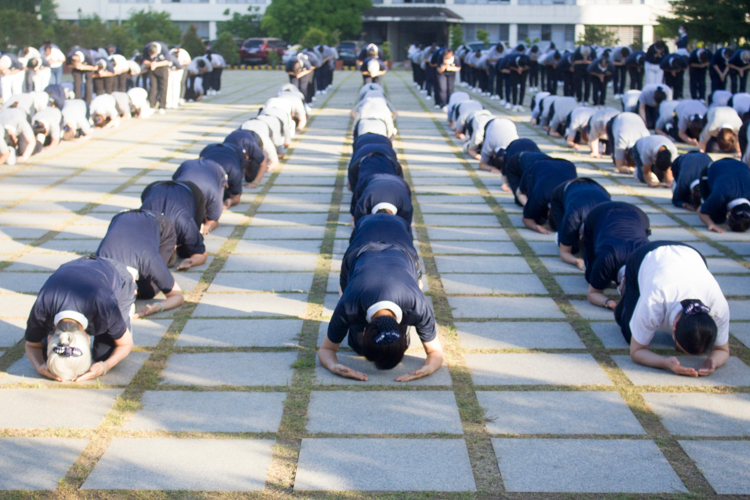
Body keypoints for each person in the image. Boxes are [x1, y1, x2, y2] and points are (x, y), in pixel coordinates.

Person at [320, 240, 442, 382]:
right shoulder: (349, 305)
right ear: (365, 330)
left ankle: (416, 282)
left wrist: (429, 368)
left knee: (383, 347)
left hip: (402, 257)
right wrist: (334, 366)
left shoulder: (418, 307)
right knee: (358, 345)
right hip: (359, 253)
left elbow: (436, 352)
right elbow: (325, 350)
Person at [615, 241, 730, 377]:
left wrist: (713, 361)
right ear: (673, 326)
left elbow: (723, 350)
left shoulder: (719, 306)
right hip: (646, 255)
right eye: (680, 349)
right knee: (629, 332)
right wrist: (665, 363)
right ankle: (625, 285)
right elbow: (636, 351)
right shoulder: (654, 300)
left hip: (692, 254)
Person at [24, 256, 136, 382]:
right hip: (75, 266)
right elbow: (32, 345)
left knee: (105, 354)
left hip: (115, 272)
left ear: (88, 339)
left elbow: (126, 344)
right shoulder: (42, 307)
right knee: (43, 351)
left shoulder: (103, 305)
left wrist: (104, 366)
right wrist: (40, 366)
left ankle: (127, 307)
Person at [96, 210, 184, 316]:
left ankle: (172, 250)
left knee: (149, 291)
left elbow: (177, 296)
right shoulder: (99, 264)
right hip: (120, 218)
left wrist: (158, 307)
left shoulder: (148, 259)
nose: (136, 293)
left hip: (159, 222)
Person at [582, 201, 650, 309]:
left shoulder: (649, 259)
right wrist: (610, 303)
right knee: (590, 276)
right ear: (621, 284)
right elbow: (592, 294)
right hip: (599, 212)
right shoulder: (607, 258)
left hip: (638, 214)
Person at [140, 181, 208, 270]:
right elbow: (201, 254)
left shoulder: (185, 224)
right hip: (153, 188)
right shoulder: (143, 227)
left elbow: (201, 255)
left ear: (175, 247)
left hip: (188, 188)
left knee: (187, 250)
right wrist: (190, 261)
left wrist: (192, 260)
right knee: (188, 248)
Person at [550, 178, 611, 269]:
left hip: (599, 188)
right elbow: (564, 253)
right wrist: (576, 261)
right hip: (566, 188)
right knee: (571, 246)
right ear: (580, 236)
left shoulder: (608, 219)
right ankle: (559, 235)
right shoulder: (573, 217)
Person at [172, 159, 227, 234]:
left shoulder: (213, 194)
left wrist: (206, 228)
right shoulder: (178, 190)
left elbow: (213, 220)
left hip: (215, 170)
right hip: (189, 170)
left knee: (213, 214)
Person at [698, 158, 750, 233]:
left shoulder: (722, 194)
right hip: (713, 167)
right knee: (717, 218)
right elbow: (700, 211)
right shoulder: (720, 195)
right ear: (729, 215)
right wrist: (711, 224)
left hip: (740, 164)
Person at [142, 41, 181, 114]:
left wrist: (157, 64)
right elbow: (144, 60)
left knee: (163, 87)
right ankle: (152, 105)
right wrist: (151, 63)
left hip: (162, 67)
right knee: (153, 87)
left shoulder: (163, 48)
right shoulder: (146, 48)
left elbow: (168, 61)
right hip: (152, 67)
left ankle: (162, 106)